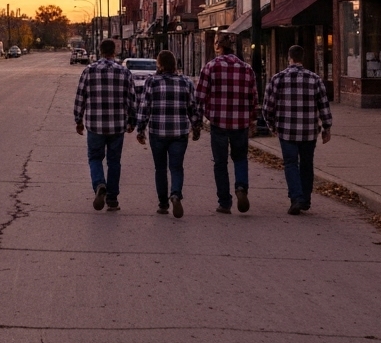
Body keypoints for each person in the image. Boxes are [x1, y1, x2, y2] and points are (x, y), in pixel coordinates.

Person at [263, 45, 334, 215]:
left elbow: (268, 107)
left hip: (286, 129)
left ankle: (296, 197)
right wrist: (327, 127)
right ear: (303, 57)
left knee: (290, 163)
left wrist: (272, 125)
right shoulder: (315, 79)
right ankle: (305, 199)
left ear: (290, 58)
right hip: (309, 131)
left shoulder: (278, 79)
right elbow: (324, 105)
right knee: (307, 164)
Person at [195, 33, 258, 214]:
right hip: (240, 123)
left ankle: (224, 202)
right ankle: (241, 187)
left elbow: (199, 98)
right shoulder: (246, 69)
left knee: (220, 163)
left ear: (217, 46)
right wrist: (252, 120)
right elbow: (253, 97)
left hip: (218, 122)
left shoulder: (210, 67)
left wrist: (197, 122)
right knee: (240, 158)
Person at [73, 38, 137, 212]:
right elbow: (131, 99)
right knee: (114, 161)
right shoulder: (124, 72)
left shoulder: (89, 71)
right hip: (117, 126)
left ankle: (100, 184)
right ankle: (112, 199)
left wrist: (78, 120)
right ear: (114, 52)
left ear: (100, 51)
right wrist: (132, 121)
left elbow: (81, 97)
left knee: (95, 158)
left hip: (95, 125)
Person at [136, 50, 201, 218]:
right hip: (179, 132)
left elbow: (144, 108)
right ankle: (176, 194)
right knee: (176, 167)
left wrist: (140, 129)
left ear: (160, 64)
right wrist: (196, 126)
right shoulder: (186, 82)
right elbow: (193, 107)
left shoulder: (152, 82)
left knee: (160, 169)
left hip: (158, 132)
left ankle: (163, 204)